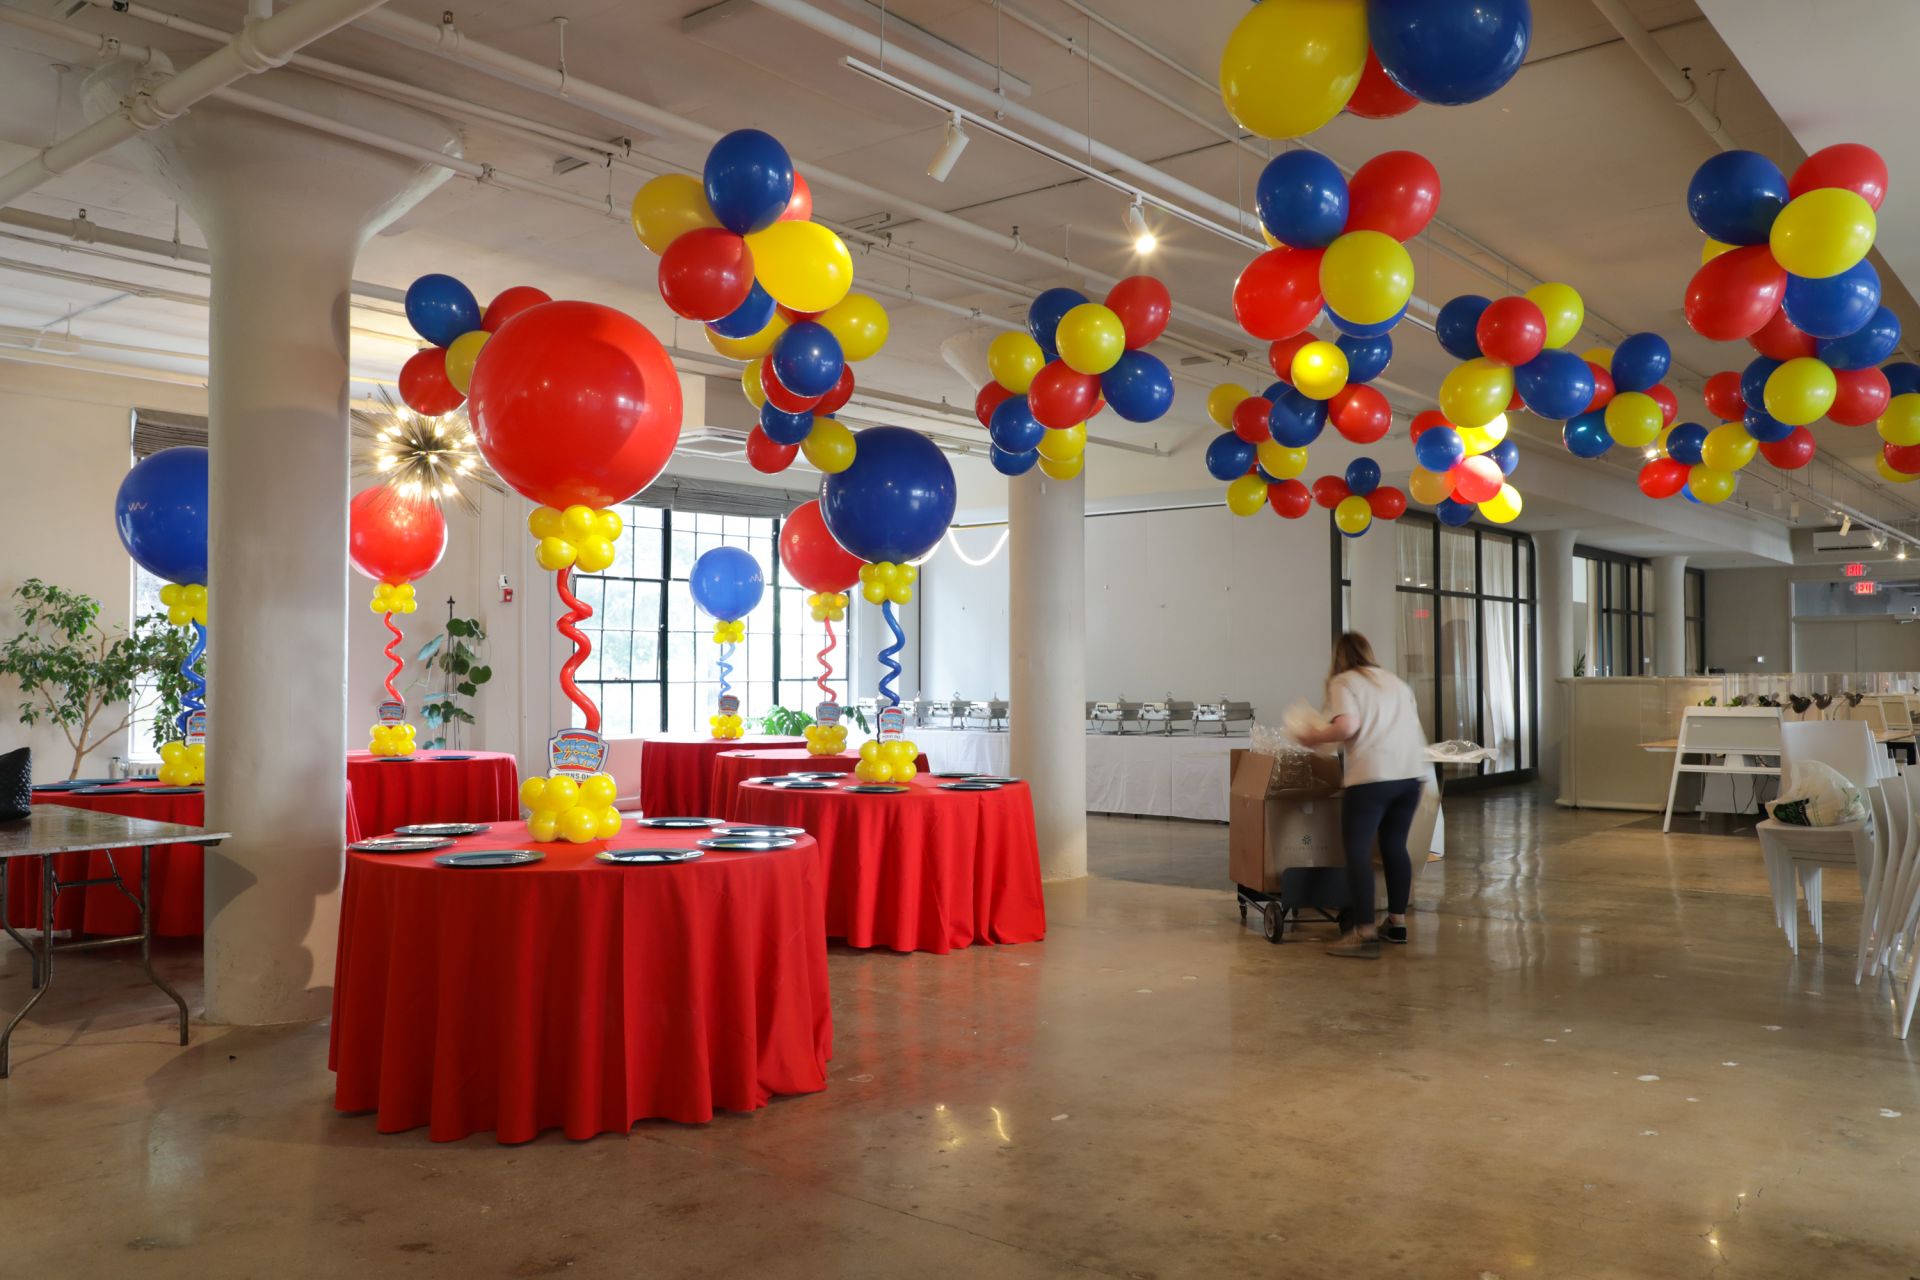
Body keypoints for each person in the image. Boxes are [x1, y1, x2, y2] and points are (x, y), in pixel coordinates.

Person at [1293, 632, 1428, 959]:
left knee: (1356, 851)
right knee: (1395, 845)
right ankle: (1396, 923)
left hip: (1373, 775)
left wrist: (1313, 736)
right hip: (1411, 774)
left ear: (1338, 656)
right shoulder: (1394, 681)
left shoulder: (1345, 681)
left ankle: (1364, 933)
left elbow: (1347, 726)